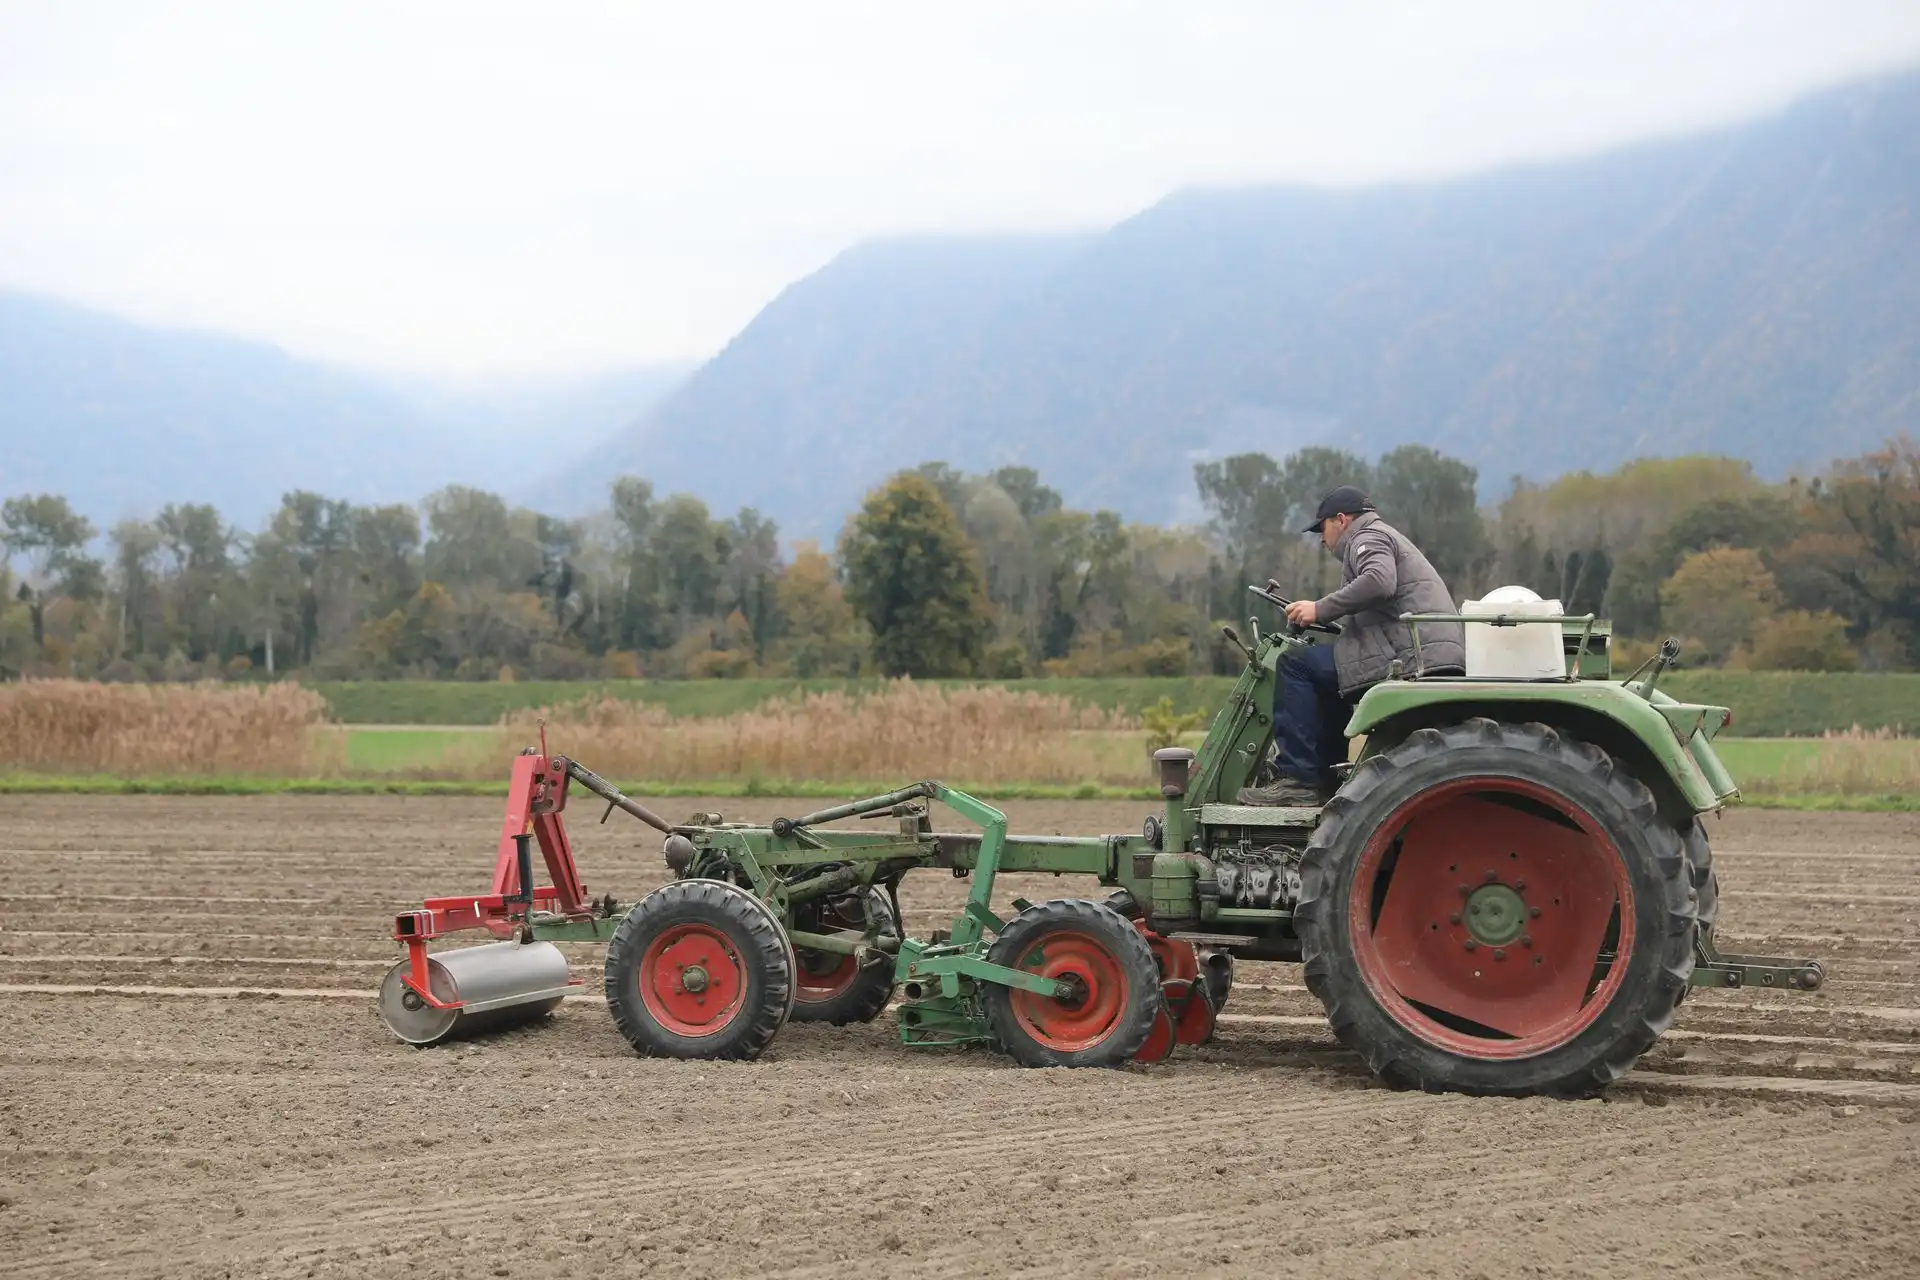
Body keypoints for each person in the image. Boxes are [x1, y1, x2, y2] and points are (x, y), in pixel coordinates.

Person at [1238, 485, 1466, 806]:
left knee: (1295, 664)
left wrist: (1318, 608)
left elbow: (1379, 582)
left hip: (1410, 656)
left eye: (1322, 527)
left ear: (1341, 520)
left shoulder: (1366, 538)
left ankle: (1299, 779)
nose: (1320, 537)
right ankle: (1326, 778)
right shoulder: (1383, 536)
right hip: (1418, 649)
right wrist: (1328, 618)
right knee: (1328, 676)